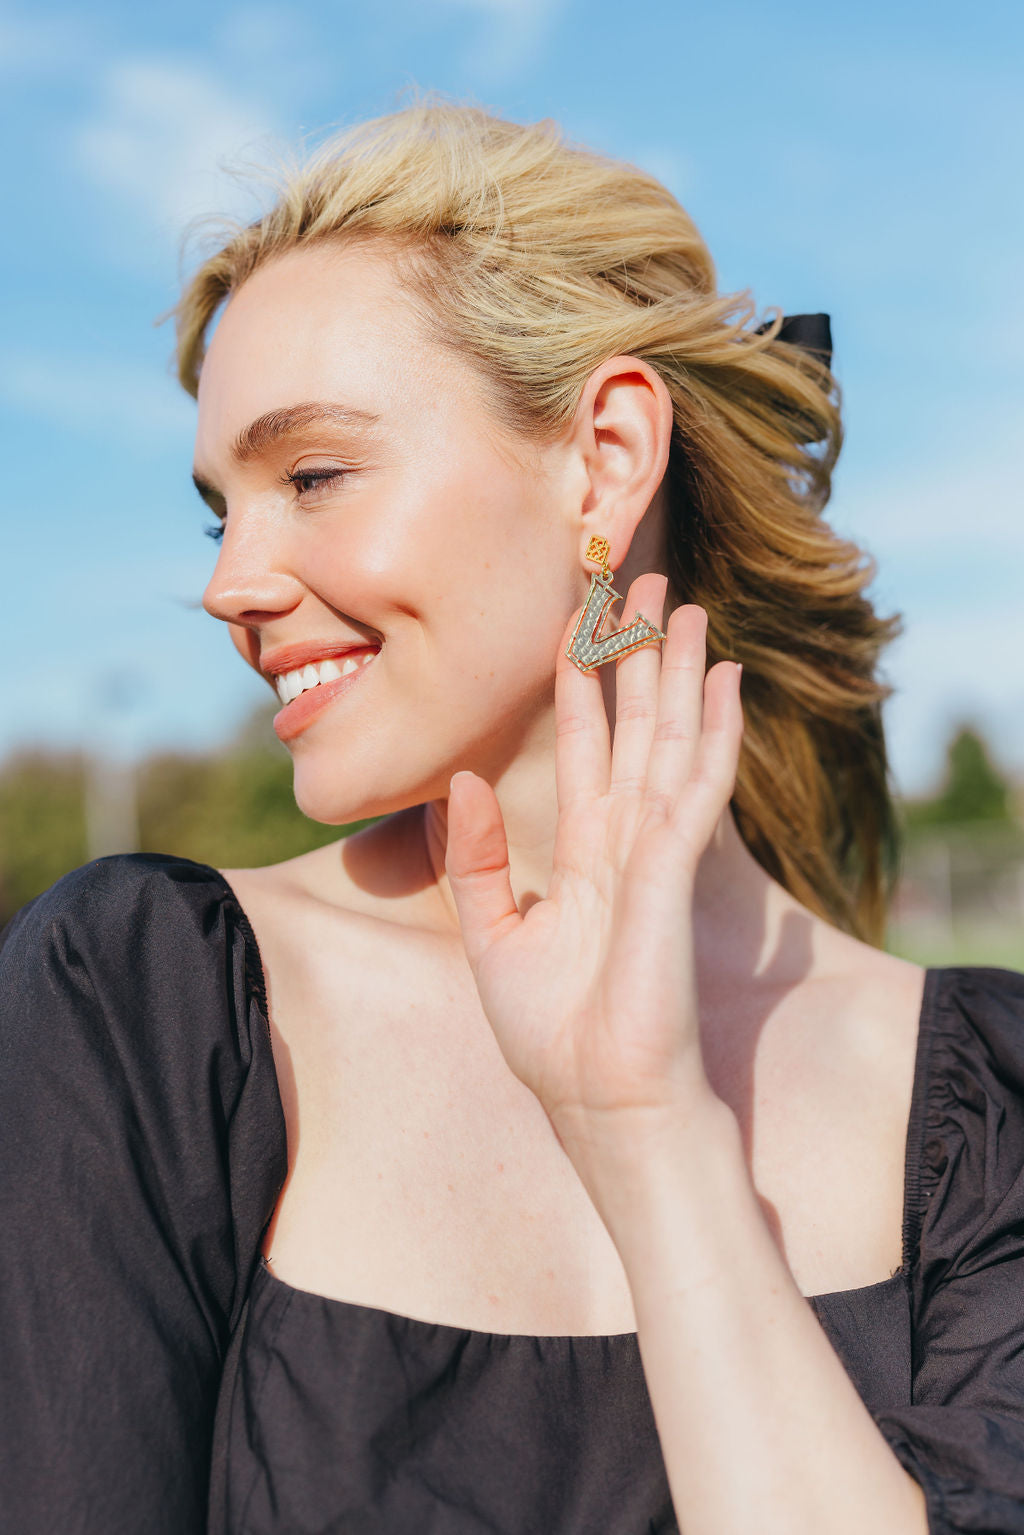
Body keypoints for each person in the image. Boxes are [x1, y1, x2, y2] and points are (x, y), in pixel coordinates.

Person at [2, 102, 1023, 1535]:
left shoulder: (984, 1104)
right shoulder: (147, 1006)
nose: (230, 585)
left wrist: (647, 1126)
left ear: (603, 459)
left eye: (310, 477)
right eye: (217, 512)